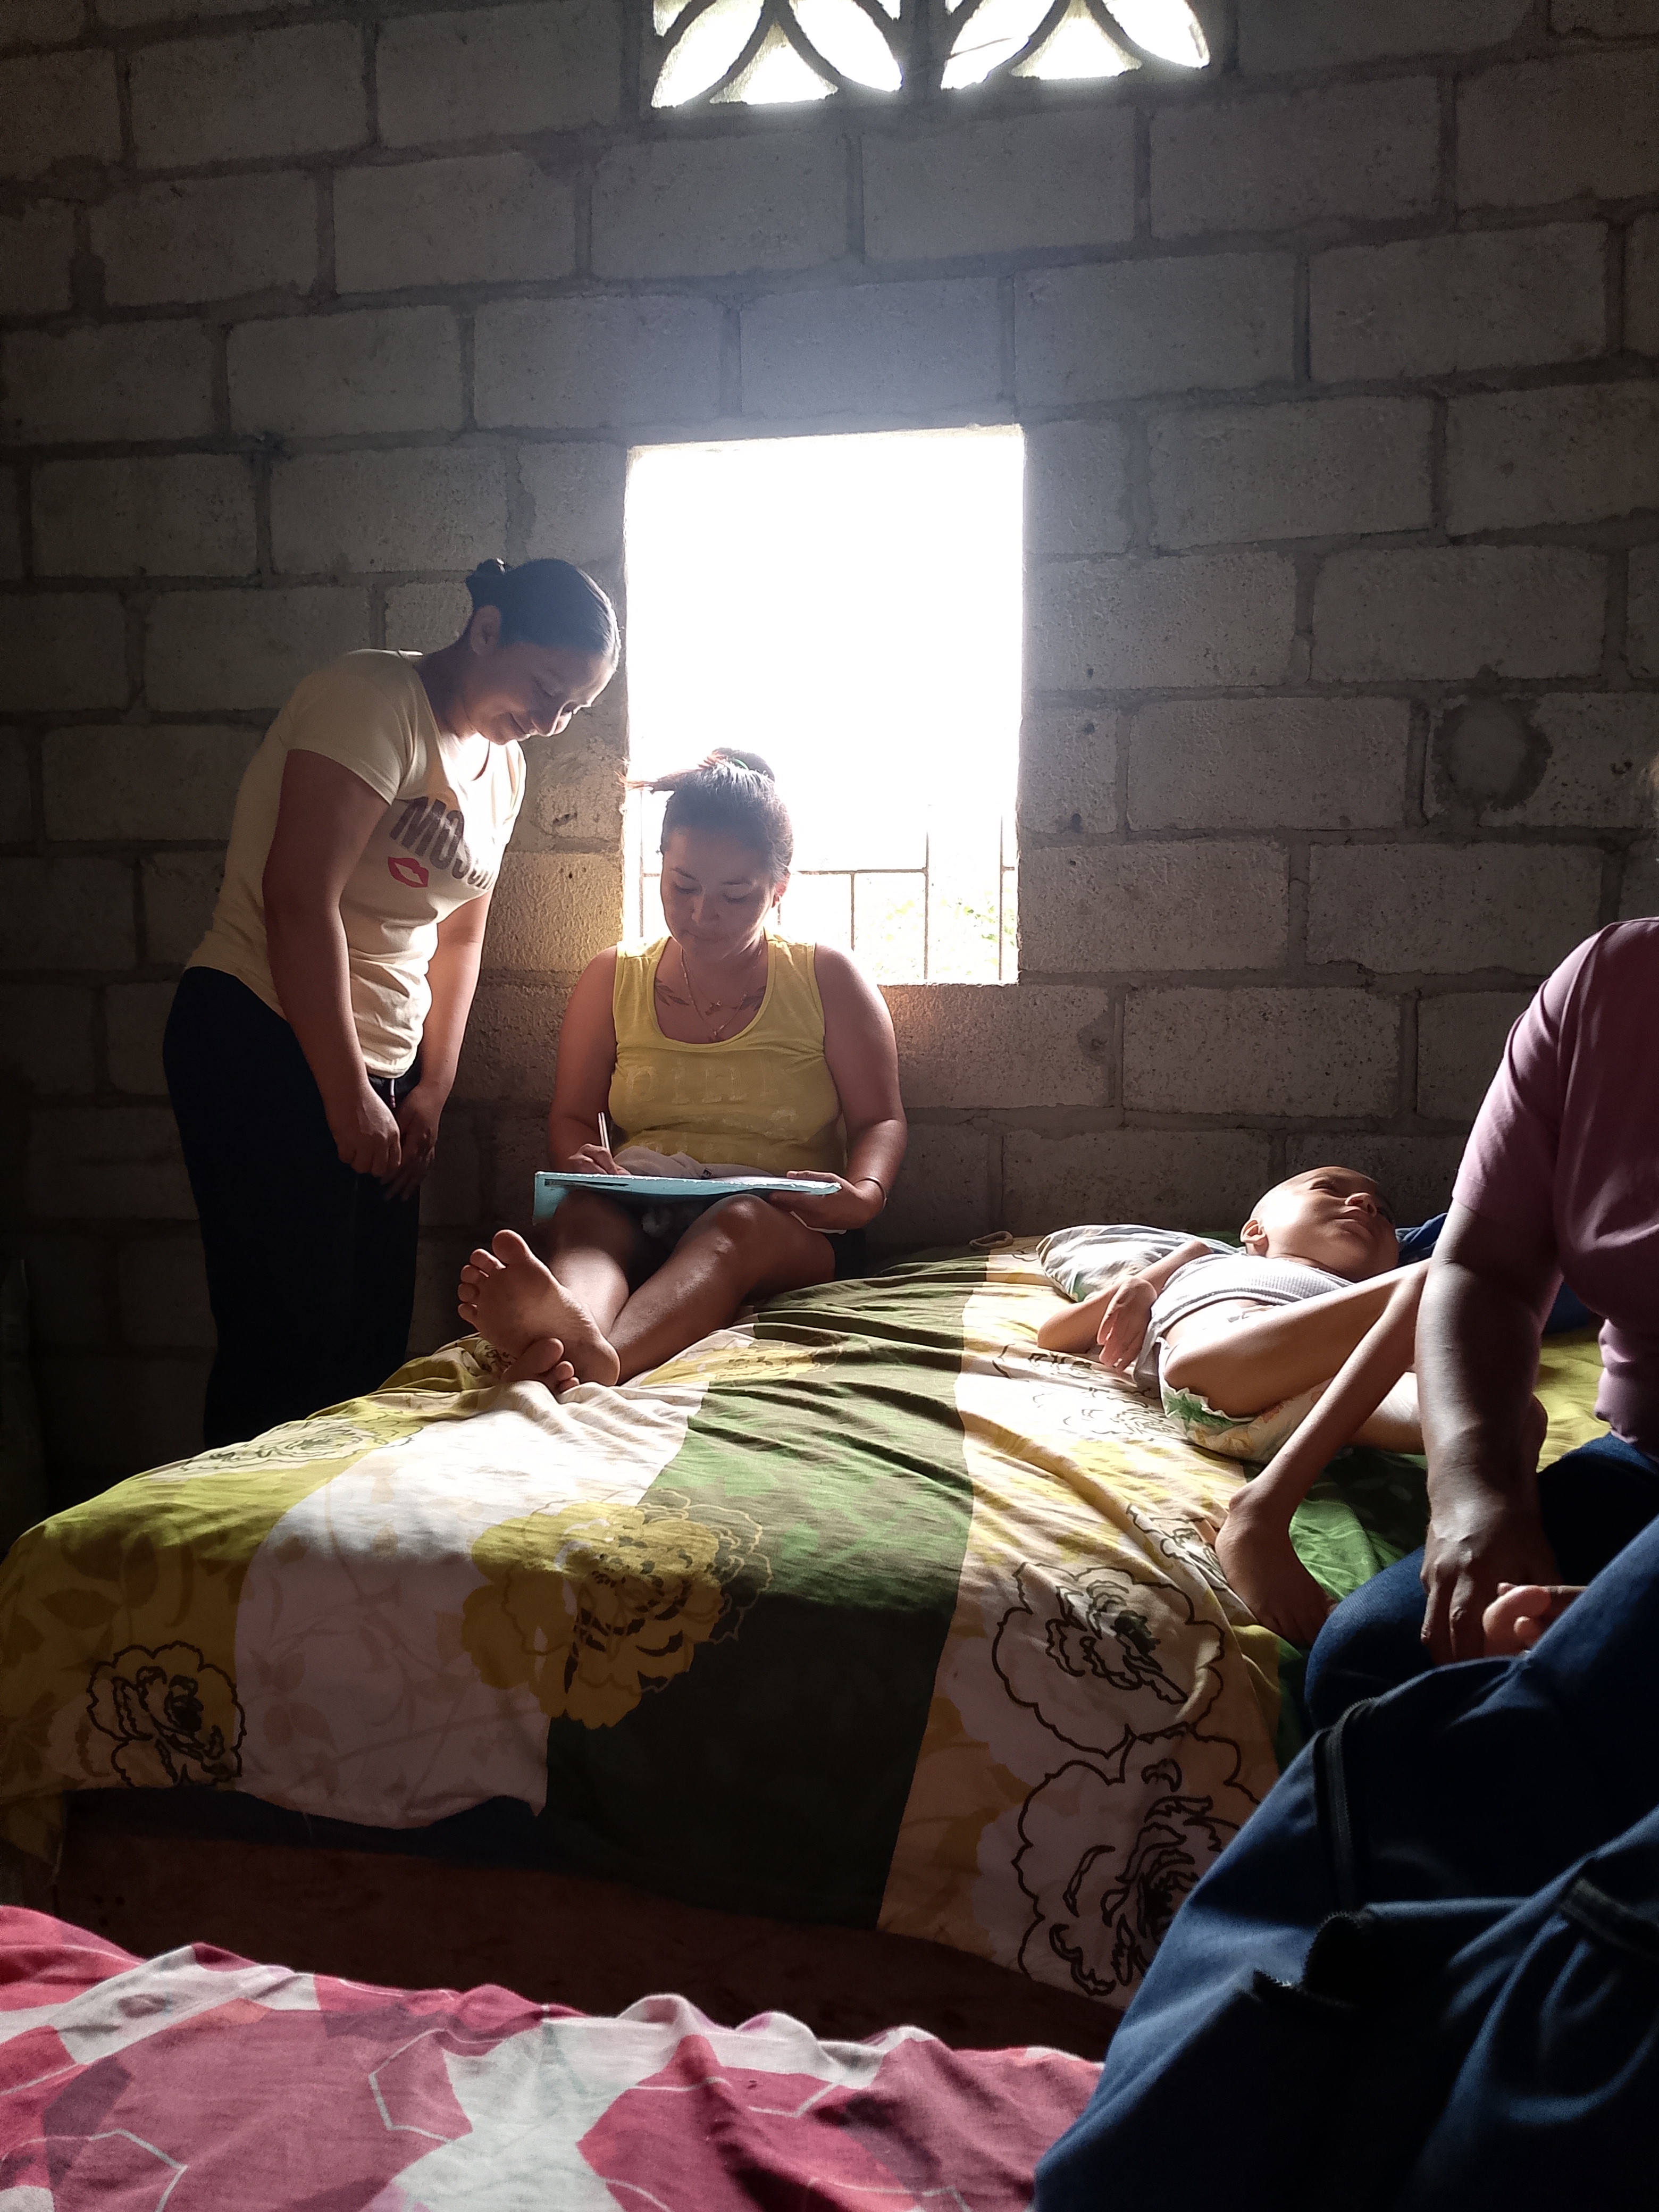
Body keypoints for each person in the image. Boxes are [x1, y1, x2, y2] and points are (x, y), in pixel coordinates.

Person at [165, 557, 619, 1446]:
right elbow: (298, 899)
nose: (550, 721)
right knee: (281, 1341)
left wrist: (428, 1092)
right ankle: (241, 1532)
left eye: (574, 708)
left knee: (367, 1343)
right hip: (263, 1031)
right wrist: (347, 1096)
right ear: (486, 630)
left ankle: (332, 1533)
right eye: (544, 689)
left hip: (385, 1065)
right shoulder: (373, 699)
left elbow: (462, 939)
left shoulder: (505, 768)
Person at [1305, 908, 1659, 1723]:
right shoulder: (1608, 983)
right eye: (1321, 1190)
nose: (1357, 1204)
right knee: (1375, 1664)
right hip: (1648, 1458)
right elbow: (1480, 1270)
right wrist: (1475, 1494)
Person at [457, 750, 906, 1390]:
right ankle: (575, 1330)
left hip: (786, 1224)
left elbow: (880, 1117)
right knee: (587, 1216)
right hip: (643, 1204)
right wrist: (585, 1161)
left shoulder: (827, 977)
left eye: (735, 894)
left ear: (778, 888)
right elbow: (574, 1115)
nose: (702, 914)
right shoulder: (612, 977)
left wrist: (864, 1194)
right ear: (661, 865)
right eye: (683, 886)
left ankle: (596, 1356)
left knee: (738, 1222)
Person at [1037, 1167, 1427, 1643]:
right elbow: (1056, 1335)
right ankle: (1260, 1518)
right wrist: (1145, 1284)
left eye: (1383, 1213)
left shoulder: (1375, 1300)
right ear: (1255, 1231)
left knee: (1498, 1414)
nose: (1365, 1205)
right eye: (1330, 1190)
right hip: (1222, 1376)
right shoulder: (1205, 1260)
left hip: (1332, 1404)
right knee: (1441, 1279)